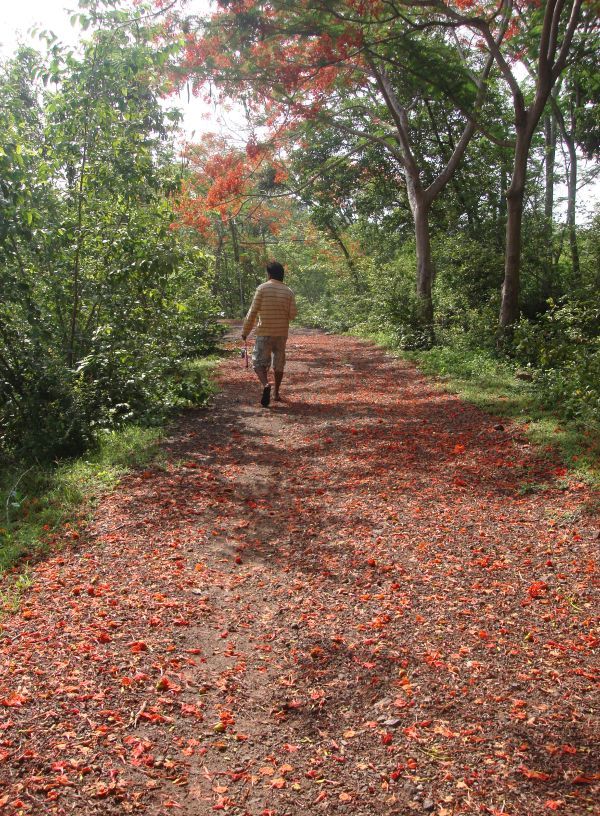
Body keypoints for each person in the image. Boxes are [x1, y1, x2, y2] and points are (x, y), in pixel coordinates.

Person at [241, 261, 297, 407]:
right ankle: (276, 393)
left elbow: (252, 312)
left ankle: (266, 384)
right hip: (281, 333)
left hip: (264, 332)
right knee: (279, 363)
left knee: (258, 362)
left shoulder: (262, 288)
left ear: (269, 274)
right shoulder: (288, 291)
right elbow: (292, 315)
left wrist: (245, 331)